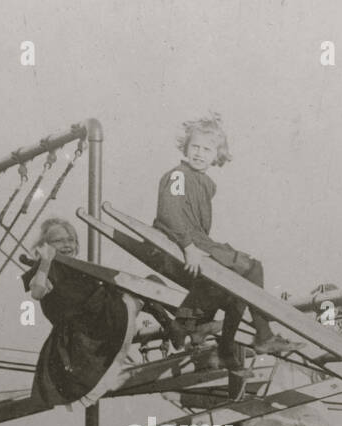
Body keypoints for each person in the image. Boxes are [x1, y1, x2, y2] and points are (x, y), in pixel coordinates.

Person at [154, 113, 301, 370]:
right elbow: (168, 211)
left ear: (216, 155)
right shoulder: (179, 175)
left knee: (244, 277)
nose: (199, 153)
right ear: (186, 148)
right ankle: (261, 335)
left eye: (207, 149)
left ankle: (222, 344)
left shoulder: (203, 182)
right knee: (250, 268)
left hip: (196, 240)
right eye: (195, 147)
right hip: (180, 241)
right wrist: (188, 247)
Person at [22, 217, 142, 407]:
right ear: (46, 245)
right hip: (80, 336)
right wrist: (45, 261)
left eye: (71, 240)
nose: (66, 245)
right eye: (59, 241)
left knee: (143, 289)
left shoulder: (77, 269)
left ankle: (179, 325)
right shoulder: (49, 268)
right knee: (134, 296)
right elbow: (37, 291)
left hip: (95, 326)